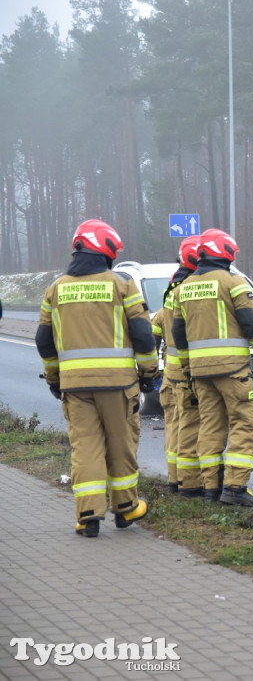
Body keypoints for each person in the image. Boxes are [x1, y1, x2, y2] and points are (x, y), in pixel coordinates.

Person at [35, 219, 159, 537]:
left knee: (85, 447)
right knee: (121, 445)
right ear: (105, 251)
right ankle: (126, 508)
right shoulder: (122, 285)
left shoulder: (56, 289)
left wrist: (53, 378)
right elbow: (144, 335)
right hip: (119, 385)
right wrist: (148, 374)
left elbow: (44, 341)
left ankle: (88, 515)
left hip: (75, 387)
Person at [172, 228, 253, 506]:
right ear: (225, 252)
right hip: (233, 371)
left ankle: (211, 488)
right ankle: (235, 487)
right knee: (246, 423)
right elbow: (252, 324)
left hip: (200, 373)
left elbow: (179, 336)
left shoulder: (183, 288)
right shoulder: (234, 282)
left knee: (210, 427)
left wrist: (187, 369)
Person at [151, 235, 202, 495]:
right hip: (186, 370)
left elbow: (156, 325)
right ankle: (189, 482)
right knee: (190, 425)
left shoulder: (172, 287)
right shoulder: (191, 289)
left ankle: (174, 477)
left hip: (170, 371)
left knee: (172, 424)